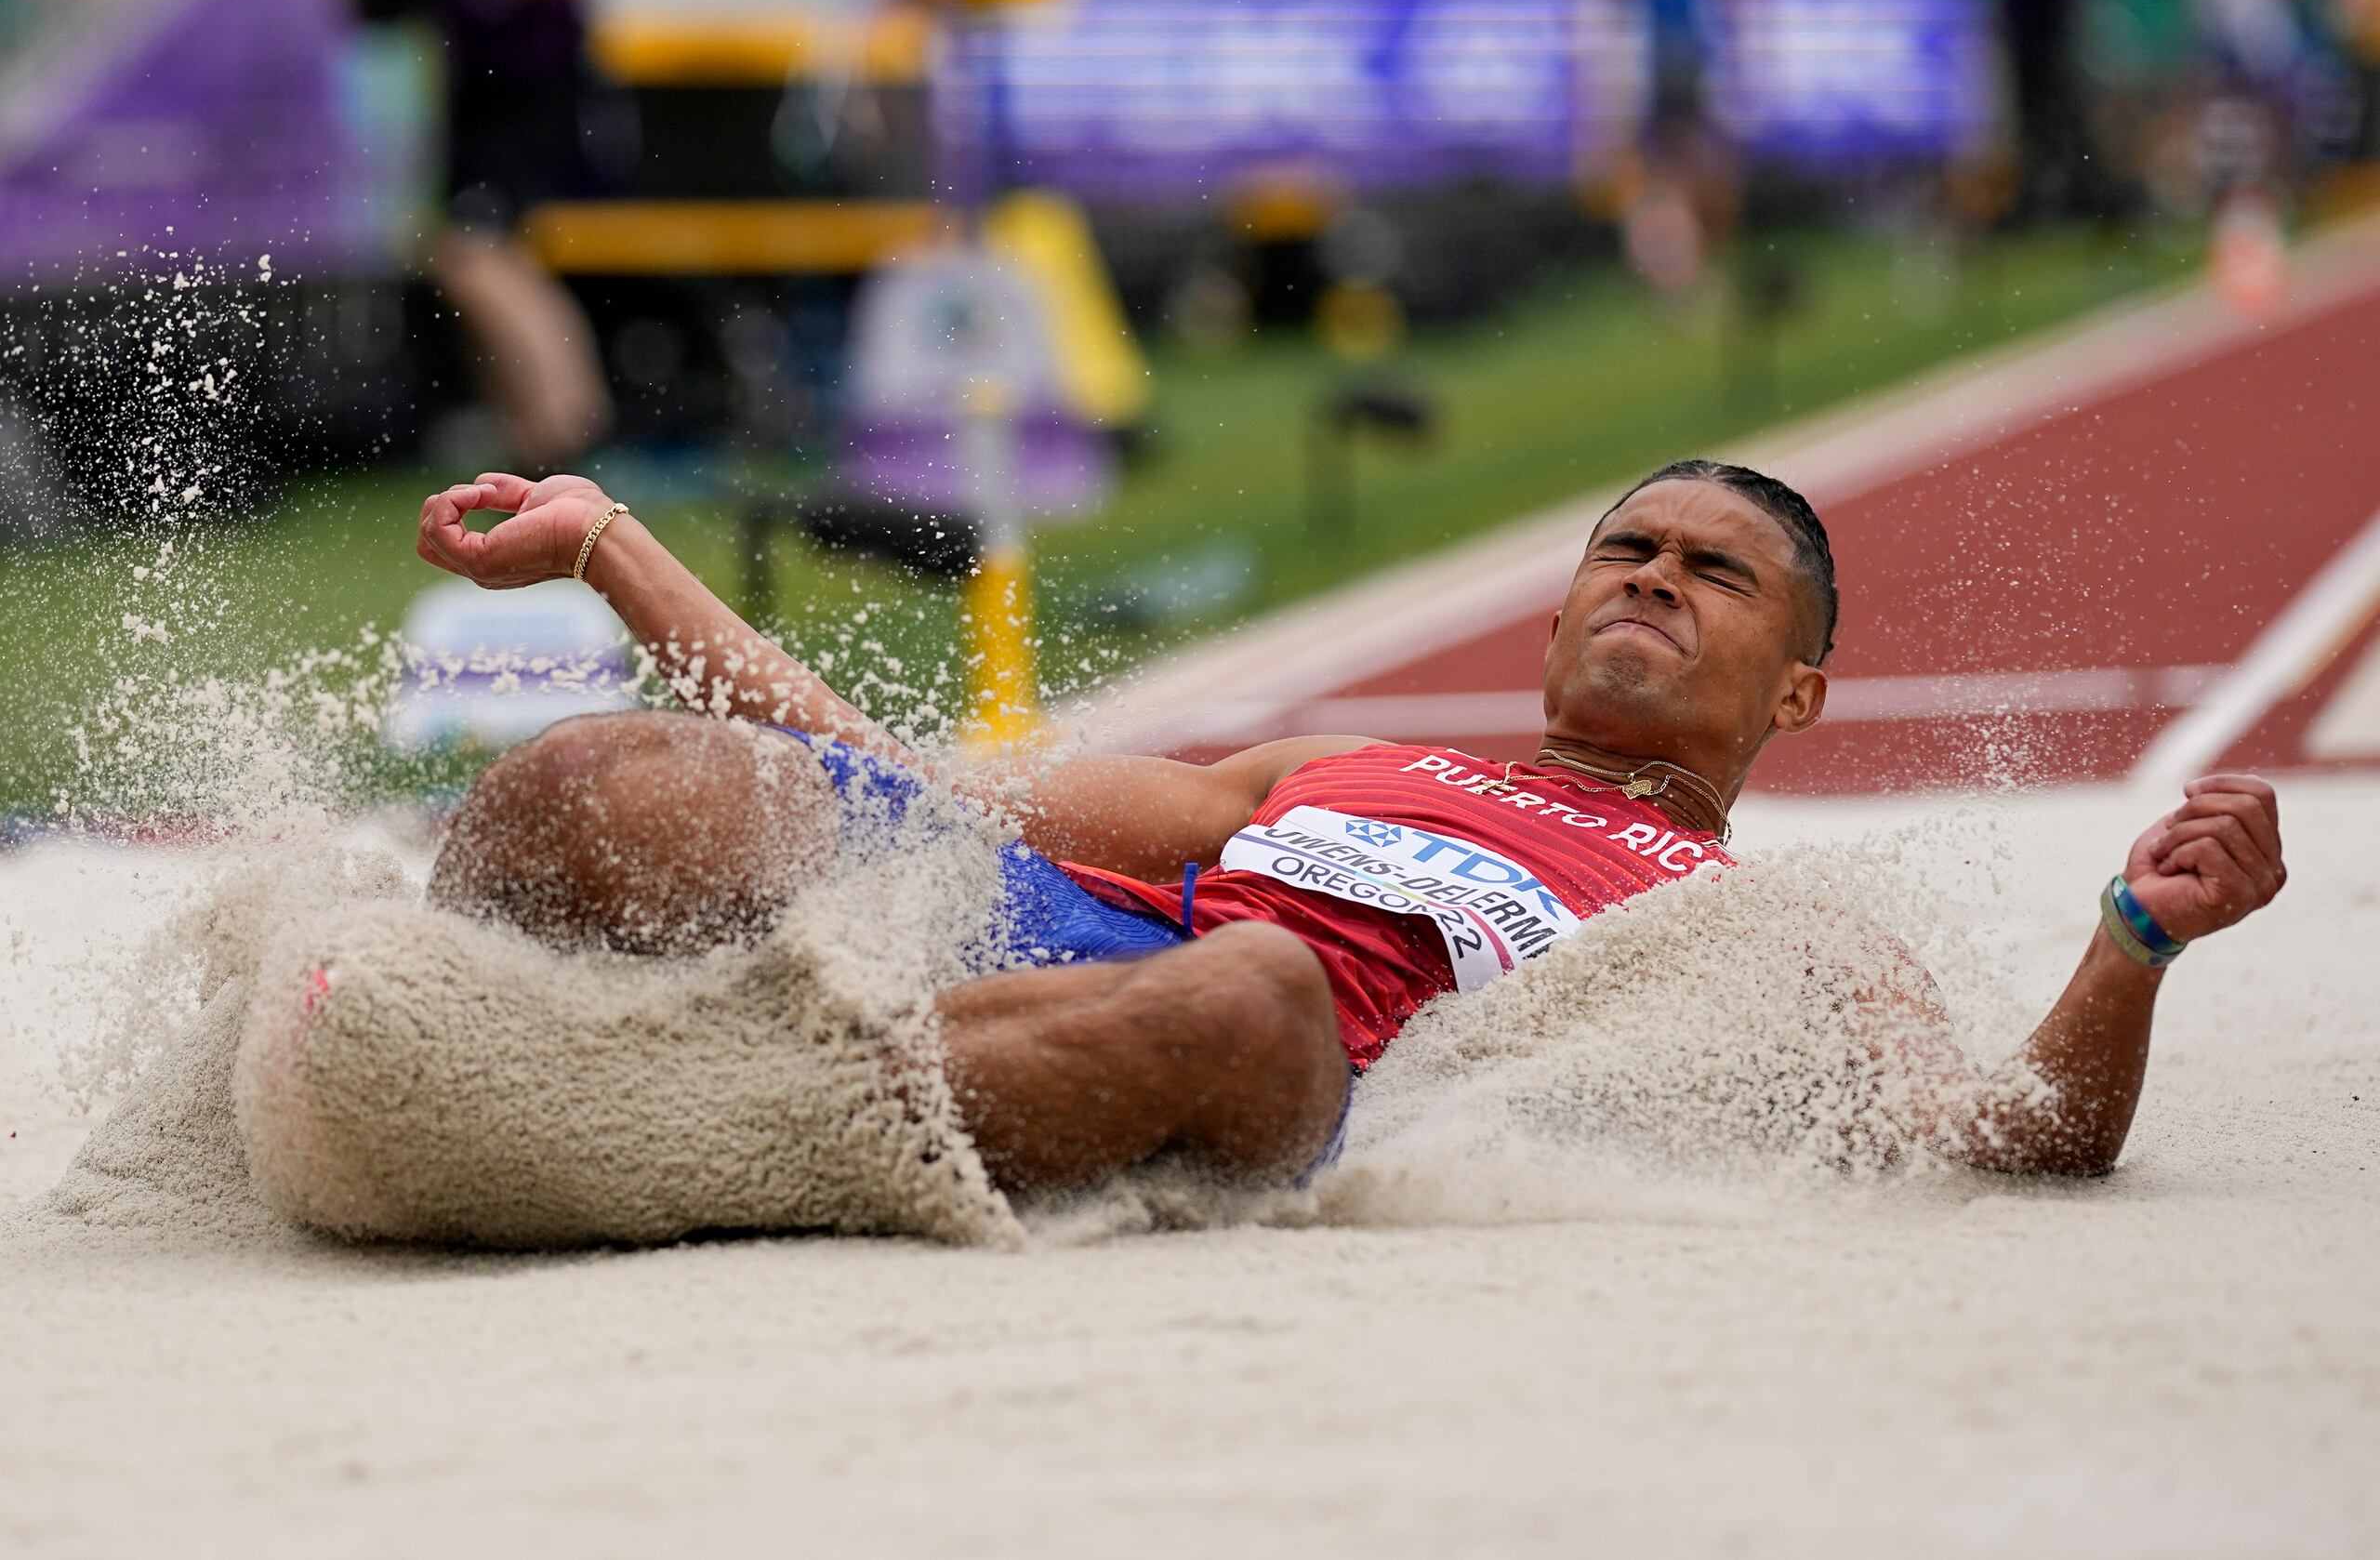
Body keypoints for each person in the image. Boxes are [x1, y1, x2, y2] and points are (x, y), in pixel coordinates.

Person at [413, 460, 2288, 1193]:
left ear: (1791, 690)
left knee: (1249, 986)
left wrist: (2124, 947)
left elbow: (2006, 1136)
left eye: (1711, 576)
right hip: (1025, 946)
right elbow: (882, 769)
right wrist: (606, 545)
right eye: (1619, 549)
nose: (1646, 579)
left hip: (1248, 1058)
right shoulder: (1333, 768)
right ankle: (452, 1035)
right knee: (608, 782)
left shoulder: (1767, 920)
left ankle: (657, 1126)